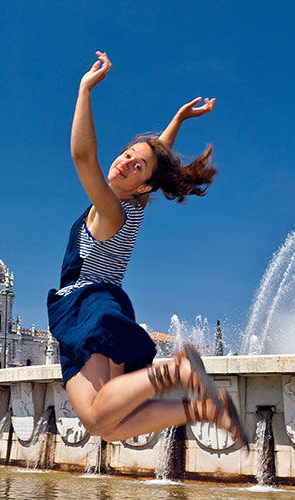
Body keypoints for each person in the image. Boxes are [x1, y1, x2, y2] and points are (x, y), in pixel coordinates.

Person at [49, 51, 247, 447]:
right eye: (126, 155)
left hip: (89, 307)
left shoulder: (111, 210)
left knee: (98, 415)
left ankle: (174, 372)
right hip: (101, 307)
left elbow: (83, 156)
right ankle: (203, 408)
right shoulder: (136, 203)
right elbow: (155, 160)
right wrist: (177, 120)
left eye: (134, 166)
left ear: (142, 186)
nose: (124, 162)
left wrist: (85, 88)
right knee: (103, 423)